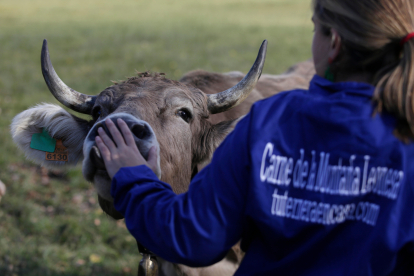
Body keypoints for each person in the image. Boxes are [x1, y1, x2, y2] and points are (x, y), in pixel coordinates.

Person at [95, 0, 414, 274]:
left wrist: (134, 178)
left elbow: (191, 236)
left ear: (335, 44)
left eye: (316, 28)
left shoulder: (270, 122)